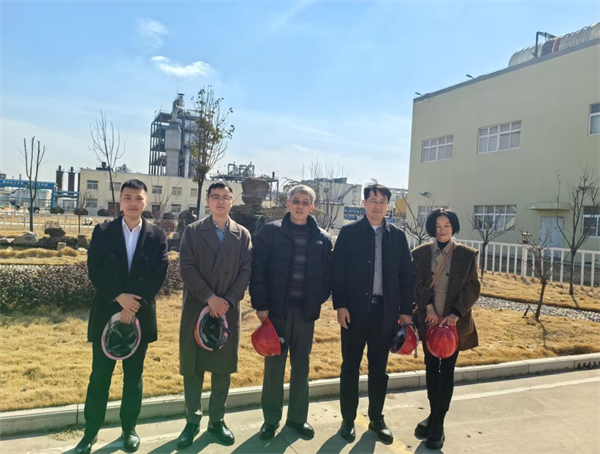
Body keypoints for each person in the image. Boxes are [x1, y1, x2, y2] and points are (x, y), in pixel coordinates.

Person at [75, 179, 169, 454]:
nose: (133, 203)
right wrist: (119, 298)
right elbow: (95, 269)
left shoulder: (157, 235)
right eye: (128, 197)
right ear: (120, 201)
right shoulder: (103, 231)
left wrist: (132, 306)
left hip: (140, 314)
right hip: (107, 310)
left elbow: (159, 273)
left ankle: (129, 429)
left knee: (133, 377)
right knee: (99, 377)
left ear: (146, 201)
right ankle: (90, 432)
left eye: (138, 198)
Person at [250, 184, 333, 440]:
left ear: (312, 207)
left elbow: (328, 277)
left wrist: (316, 301)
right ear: (287, 203)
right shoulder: (270, 232)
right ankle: (270, 419)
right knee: (274, 368)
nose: (300, 206)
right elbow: (258, 271)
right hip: (277, 313)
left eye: (305, 202)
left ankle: (298, 418)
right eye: (296, 201)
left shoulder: (322, 238)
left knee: (301, 367)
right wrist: (261, 306)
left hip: (305, 314)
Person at [332, 183, 414, 444]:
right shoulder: (349, 233)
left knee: (379, 369)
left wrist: (406, 311)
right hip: (354, 312)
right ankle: (348, 419)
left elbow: (407, 276)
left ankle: (376, 418)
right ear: (364, 203)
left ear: (388, 206)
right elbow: (338, 271)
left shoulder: (397, 236)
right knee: (350, 367)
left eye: (382, 201)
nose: (377, 206)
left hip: (385, 313)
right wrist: (340, 305)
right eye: (372, 200)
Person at [177, 182, 252, 449]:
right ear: (207, 201)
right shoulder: (193, 231)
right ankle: (192, 420)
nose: (221, 201)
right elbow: (186, 268)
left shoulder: (242, 234)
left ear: (232, 202)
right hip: (197, 306)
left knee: (222, 367)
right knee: (193, 367)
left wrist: (227, 301)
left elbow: (245, 272)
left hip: (227, 311)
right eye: (216, 197)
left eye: (226, 197)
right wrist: (210, 297)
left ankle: (217, 420)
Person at [412, 208, 480, 450]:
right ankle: (434, 415)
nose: (442, 230)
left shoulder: (466, 254)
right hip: (429, 321)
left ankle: (438, 424)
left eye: (447, 225)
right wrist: (428, 308)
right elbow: (416, 282)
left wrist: (455, 313)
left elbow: (473, 286)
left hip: (453, 324)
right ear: (432, 227)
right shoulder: (420, 253)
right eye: (437, 225)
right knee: (431, 369)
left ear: (454, 227)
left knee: (447, 371)